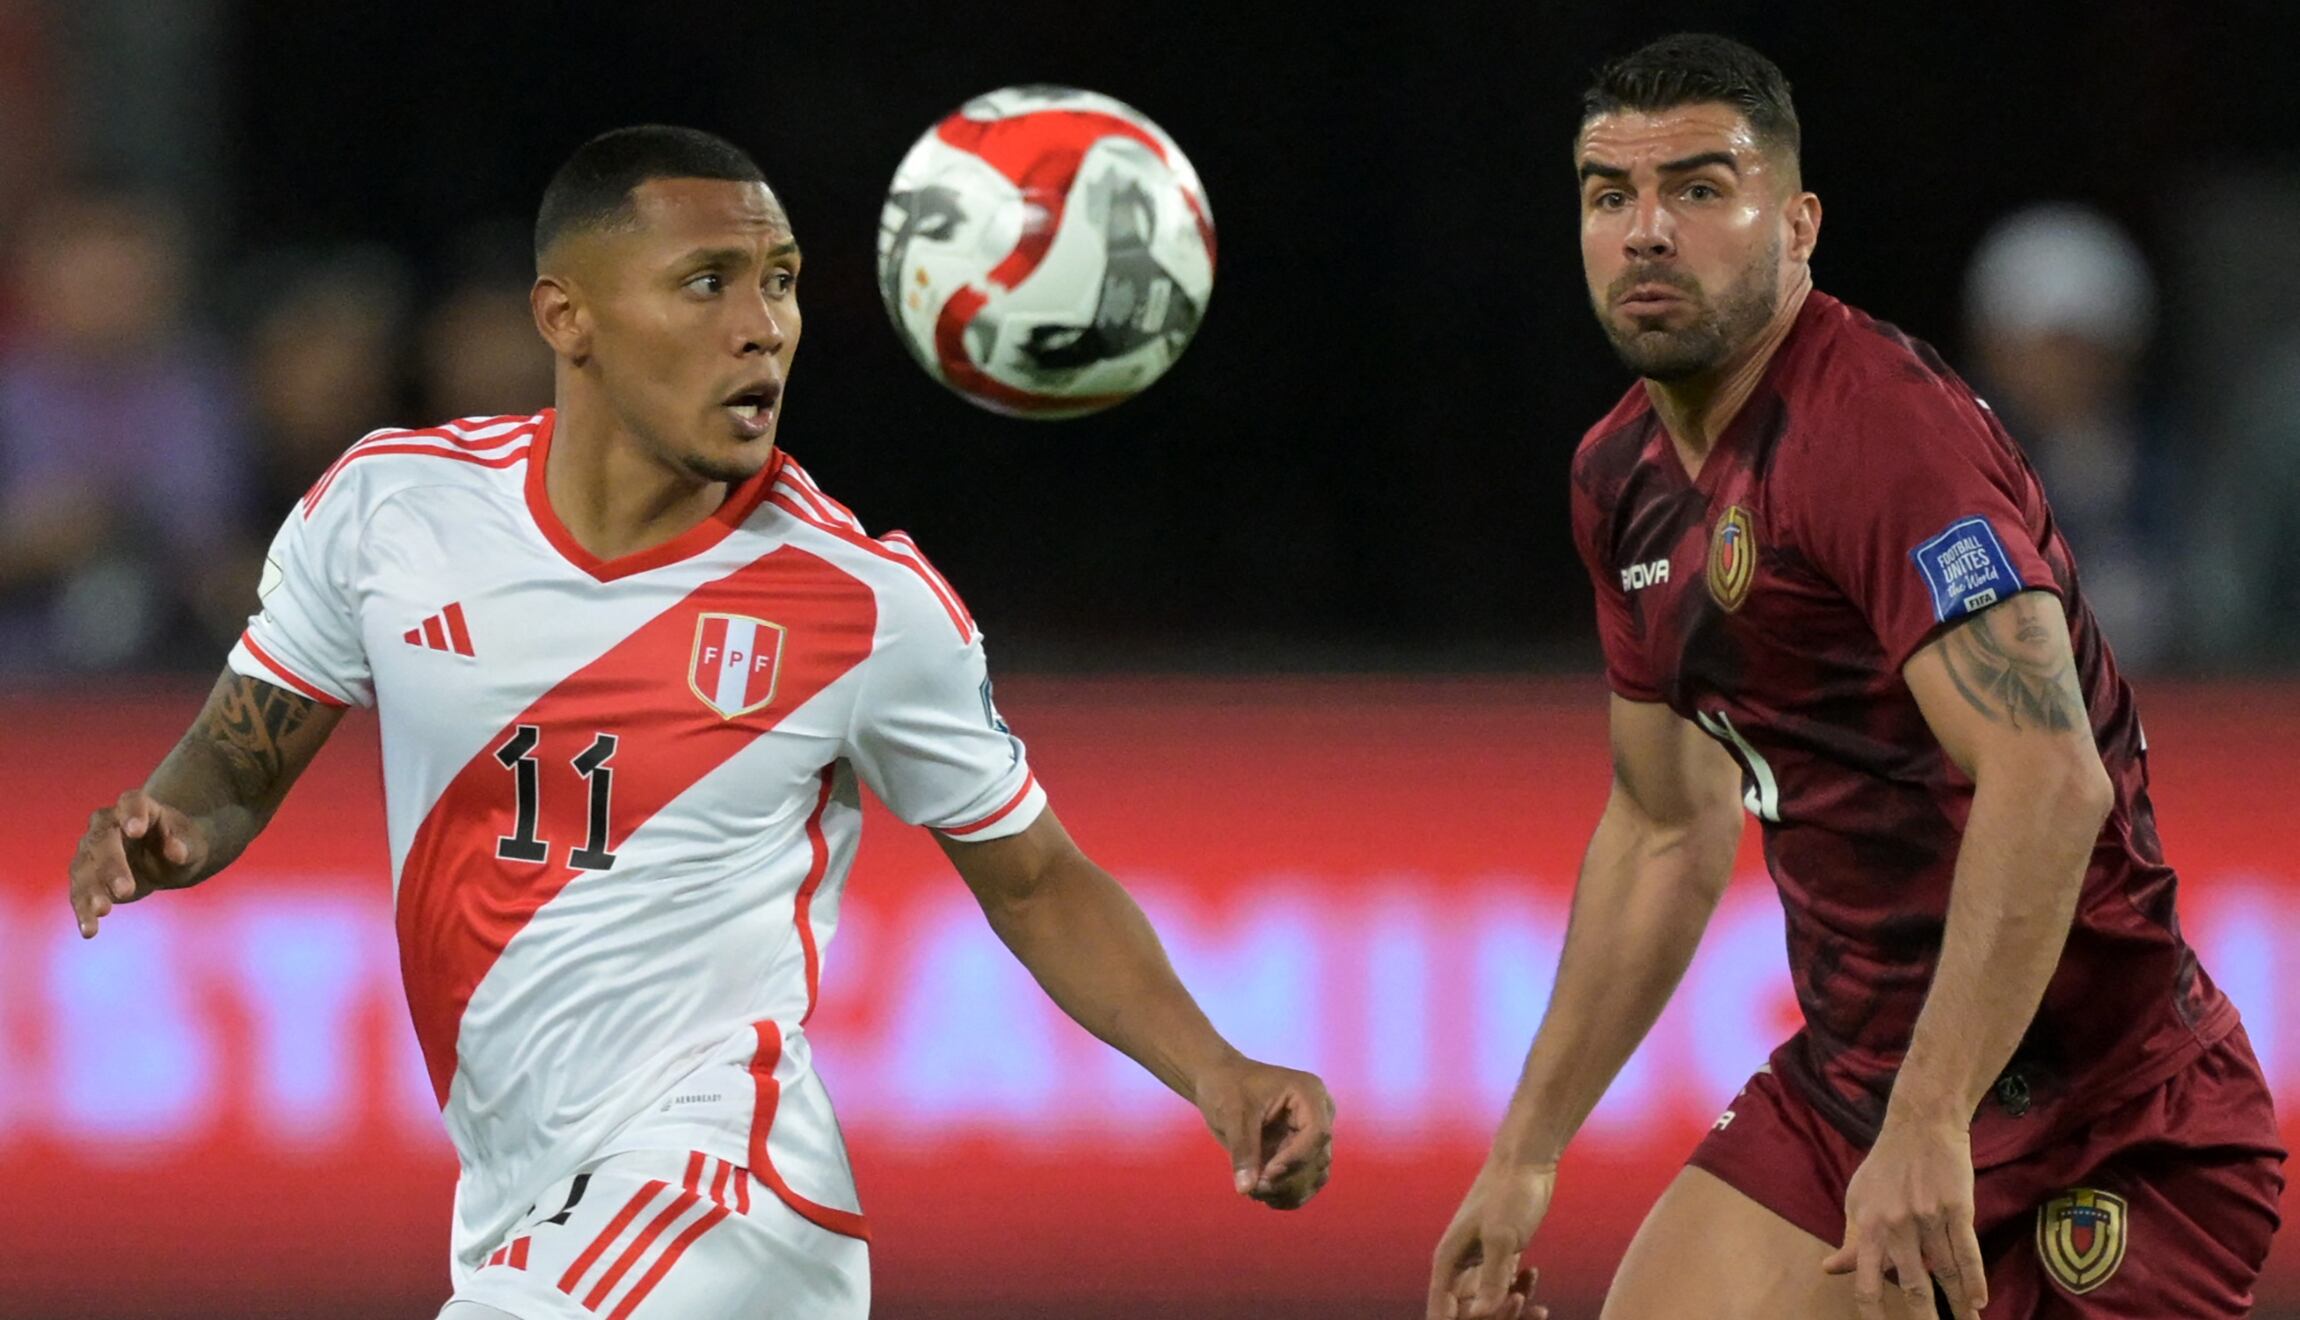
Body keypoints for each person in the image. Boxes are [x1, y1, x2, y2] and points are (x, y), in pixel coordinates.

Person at [66, 125, 1334, 1319]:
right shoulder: (389, 514)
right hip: (519, 1201)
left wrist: (1218, 1073)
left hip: (721, 1198)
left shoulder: (861, 605)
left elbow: (1037, 879)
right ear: (568, 318)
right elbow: (238, 760)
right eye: (707, 283)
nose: (761, 328)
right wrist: (171, 825)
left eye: (778, 283)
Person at [1425, 34, 2281, 1320]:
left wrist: (1929, 1121)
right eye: (1611, 196)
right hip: (1849, 1089)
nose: (1647, 231)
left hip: (2107, 1112)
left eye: (1701, 190)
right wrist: (1524, 1152)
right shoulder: (1619, 481)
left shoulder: (1878, 435)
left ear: (1798, 222)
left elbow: (2048, 784)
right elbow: (1665, 827)